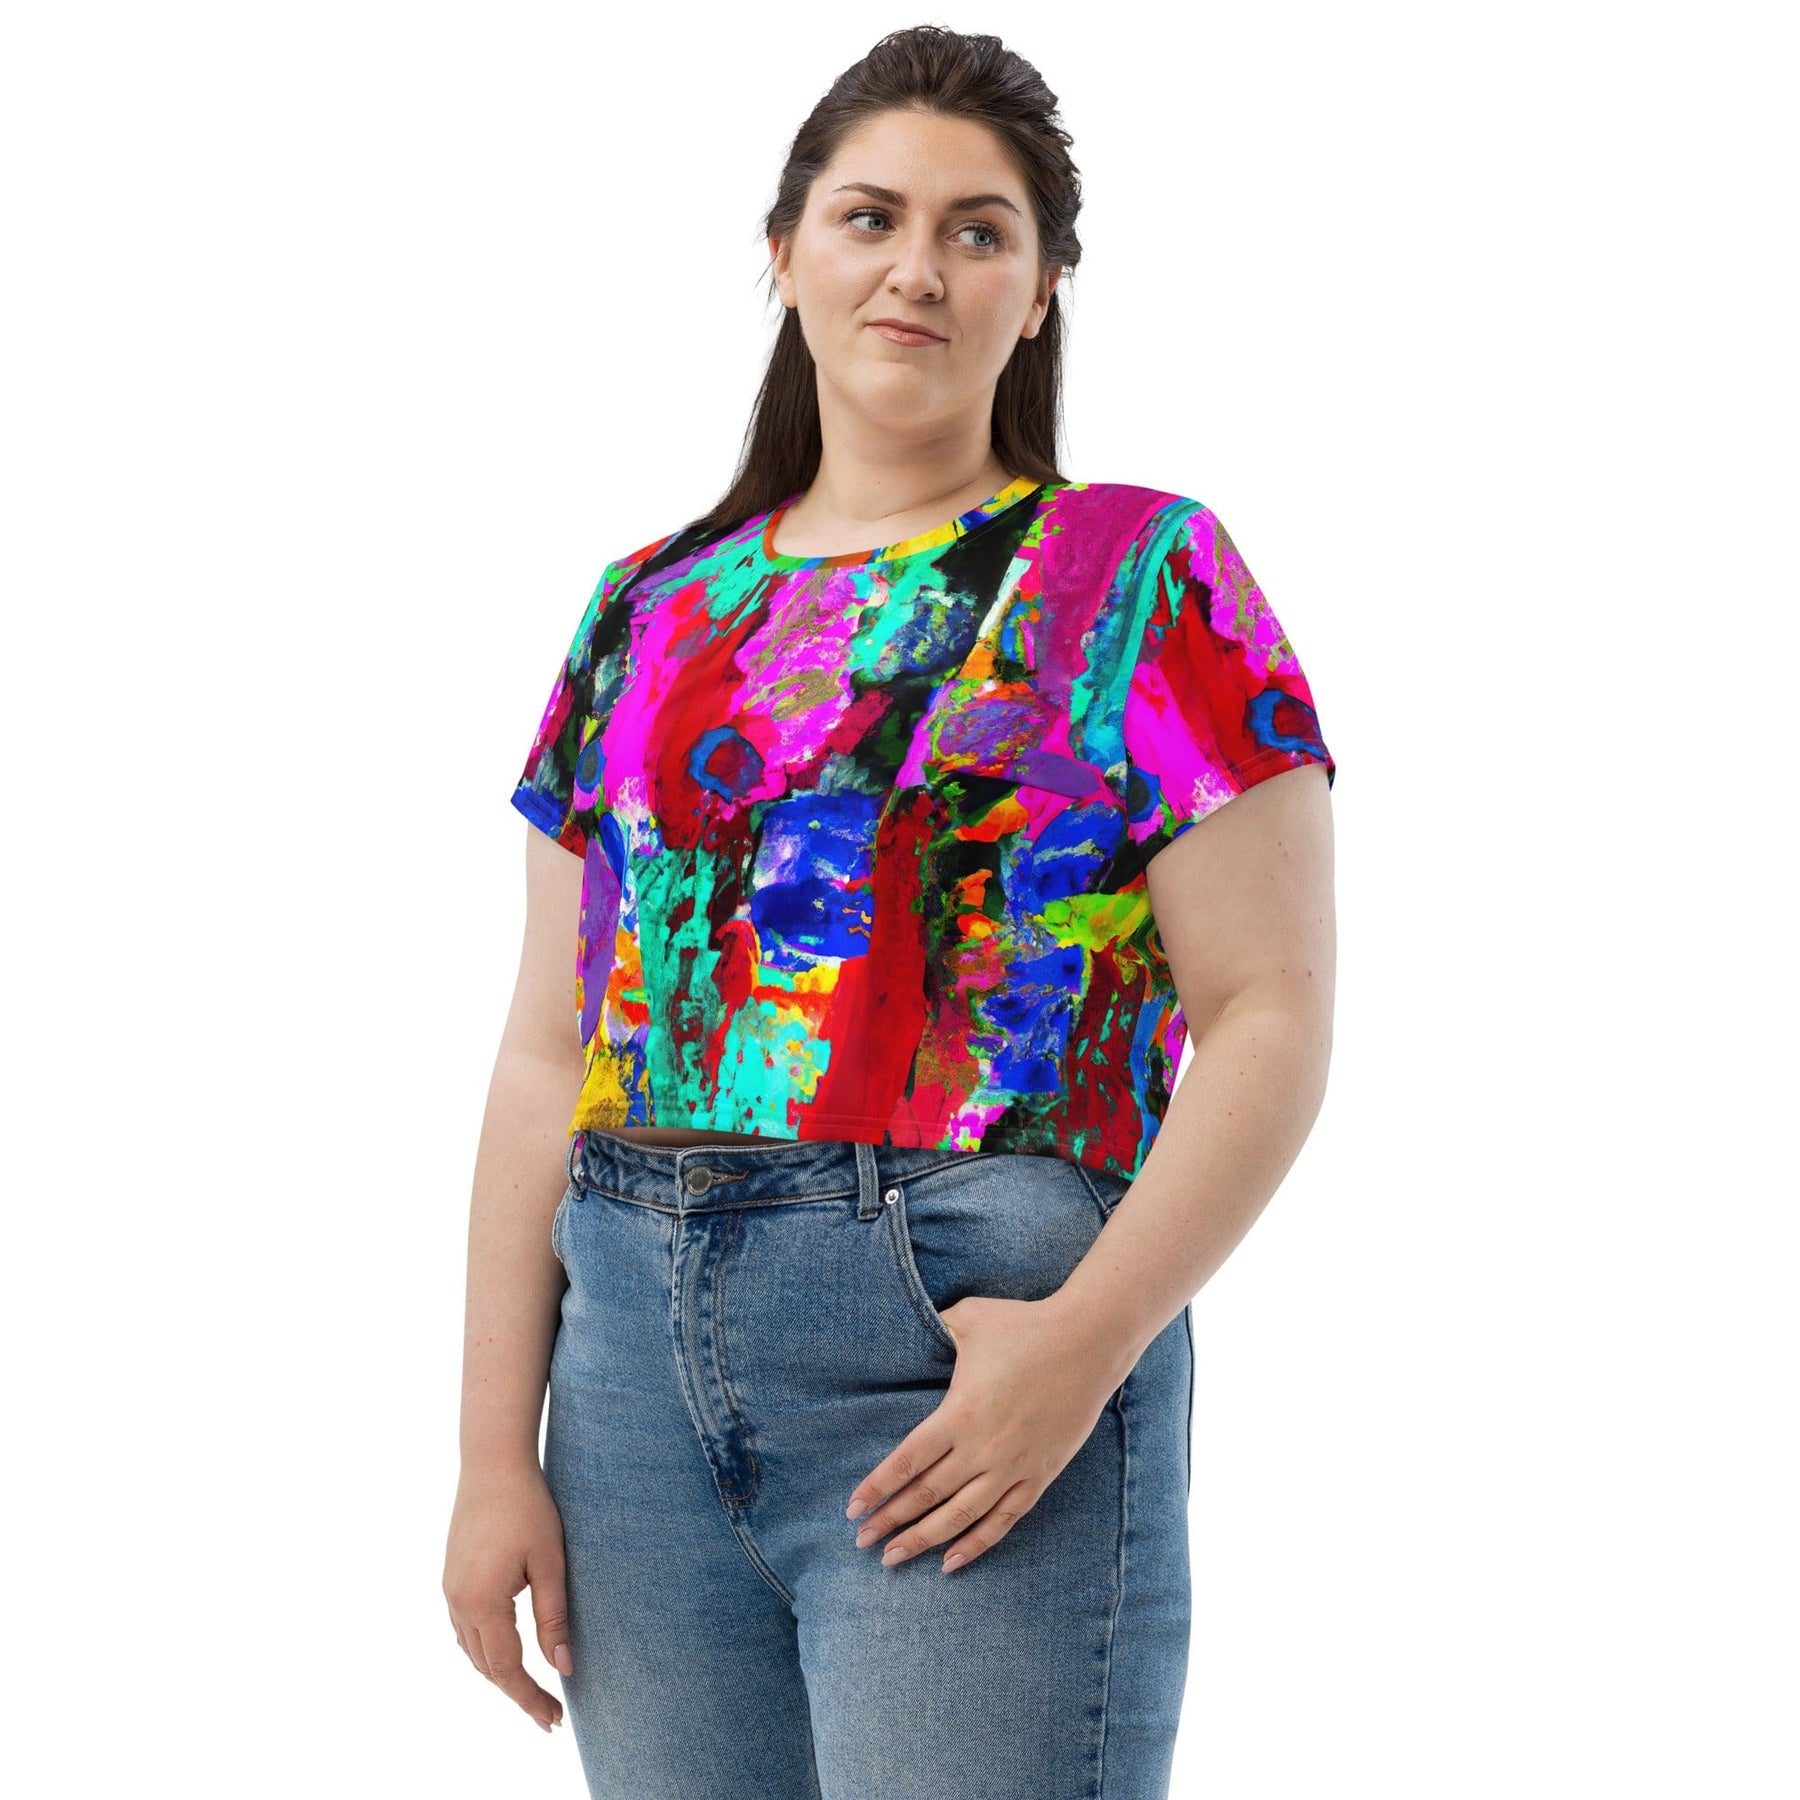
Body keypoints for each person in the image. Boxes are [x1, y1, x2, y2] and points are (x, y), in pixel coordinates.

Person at [443, 24, 1338, 1799]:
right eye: (870, 217)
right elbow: (551, 1045)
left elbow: (1271, 1012)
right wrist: (491, 1452)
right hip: (626, 1378)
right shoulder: (647, 608)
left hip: (963, 1354)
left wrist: (1086, 1349)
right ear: (783, 254)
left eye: (977, 231)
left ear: (1043, 289)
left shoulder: (1138, 572)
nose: (916, 268)